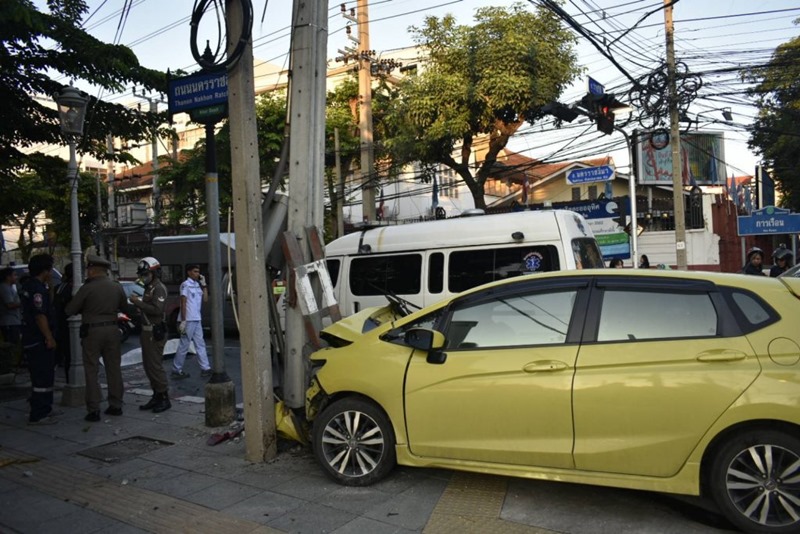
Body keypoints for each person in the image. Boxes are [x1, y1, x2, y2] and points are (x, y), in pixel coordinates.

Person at [65, 255, 128, 422]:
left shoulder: (87, 288)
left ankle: (94, 409)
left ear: (92, 270)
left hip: (92, 332)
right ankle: (116, 405)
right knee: (114, 368)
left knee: (91, 369)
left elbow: (70, 309)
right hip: (113, 330)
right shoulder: (116, 286)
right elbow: (125, 307)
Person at [19, 254, 59, 424]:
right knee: (43, 376)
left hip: (31, 337)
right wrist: (49, 337)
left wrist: (49, 288)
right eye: (50, 269)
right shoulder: (36, 289)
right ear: (45, 270)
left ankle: (43, 407)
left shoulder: (30, 285)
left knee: (39, 375)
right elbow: (40, 316)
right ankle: (40, 414)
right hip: (38, 339)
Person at [129, 257, 171, 412]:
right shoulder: (149, 287)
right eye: (142, 274)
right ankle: (156, 395)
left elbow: (157, 310)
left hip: (155, 332)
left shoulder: (159, 288)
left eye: (146, 274)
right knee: (148, 366)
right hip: (147, 331)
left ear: (154, 273)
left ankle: (164, 397)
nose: (143, 277)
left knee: (155, 366)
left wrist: (137, 302)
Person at [172, 263, 211, 379]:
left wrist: (204, 285)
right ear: (189, 272)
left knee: (200, 344)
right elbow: (183, 302)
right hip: (188, 319)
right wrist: (183, 320)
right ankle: (176, 369)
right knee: (184, 345)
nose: (197, 274)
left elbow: (205, 299)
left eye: (198, 272)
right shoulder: (185, 285)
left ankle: (205, 368)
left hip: (197, 318)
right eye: (195, 271)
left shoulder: (197, 285)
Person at [52, 263, 73, 383]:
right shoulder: (71, 288)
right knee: (70, 356)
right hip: (66, 326)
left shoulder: (60, 287)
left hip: (60, 325)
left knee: (64, 356)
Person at [0, 267, 22, 365]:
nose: (16, 277)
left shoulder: (11, 287)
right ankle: (10, 364)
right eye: (14, 275)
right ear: (8, 277)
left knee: (16, 343)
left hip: (15, 319)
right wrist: (23, 303)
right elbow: (9, 304)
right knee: (11, 344)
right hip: (9, 321)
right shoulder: (4, 288)